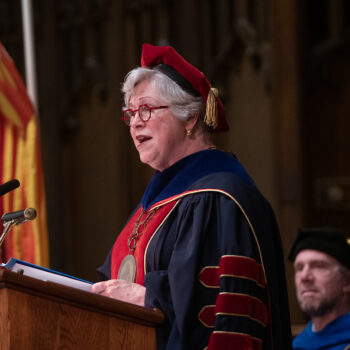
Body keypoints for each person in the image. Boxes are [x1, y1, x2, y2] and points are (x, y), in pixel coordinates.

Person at [92, 43, 292, 349]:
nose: (134, 122)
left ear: (190, 118)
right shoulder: (150, 208)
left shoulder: (223, 198)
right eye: (130, 114)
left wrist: (147, 298)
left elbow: (227, 316)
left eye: (146, 109)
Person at [288, 227, 350, 350]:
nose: (304, 277)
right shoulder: (296, 345)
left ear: (347, 282)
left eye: (318, 266)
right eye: (299, 268)